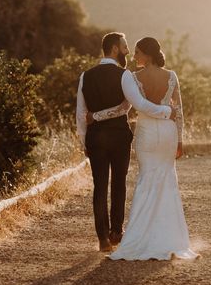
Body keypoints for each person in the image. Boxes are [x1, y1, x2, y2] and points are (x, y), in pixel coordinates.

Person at [89, 37, 199, 261]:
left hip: (147, 133)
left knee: (146, 180)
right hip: (168, 133)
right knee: (167, 181)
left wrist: (96, 116)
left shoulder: (133, 77)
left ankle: (141, 236)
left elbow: (123, 108)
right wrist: (179, 140)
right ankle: (170, 238)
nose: (133, 56)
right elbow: (179, 111)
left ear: (147, 55)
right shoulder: (172, 76)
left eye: (137, 52)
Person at [76, 32, 174, 252]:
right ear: (114, 49)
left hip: (95, 138)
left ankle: (102, 238)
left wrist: (84, 141)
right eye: (125, 47)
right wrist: (166, 111)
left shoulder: (85, 76)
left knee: (99, 187)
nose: (128, 52)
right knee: (118, 184)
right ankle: (116, 233)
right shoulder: (125, 75)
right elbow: (133, 105)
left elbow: (80, 113)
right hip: (119, 137)